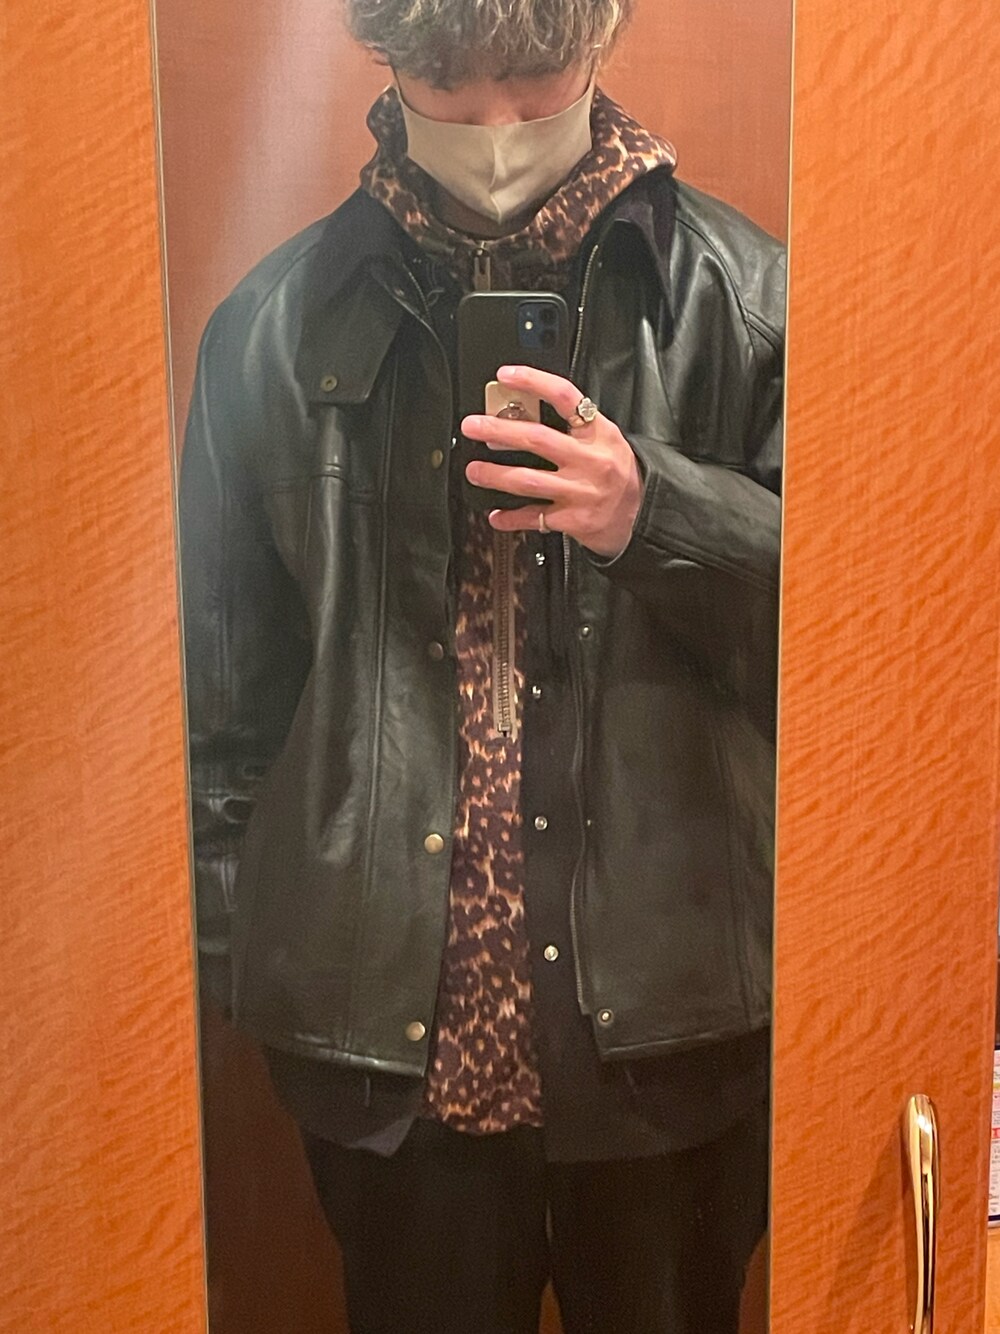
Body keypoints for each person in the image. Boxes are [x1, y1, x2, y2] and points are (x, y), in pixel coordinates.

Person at [179, 1, 784, 1329]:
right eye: (455, 81)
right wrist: (256, 972)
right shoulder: (269, 331)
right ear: (393, 58)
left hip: (675, 1047)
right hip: (390, 1070)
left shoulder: (746, 300)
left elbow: (868, 662)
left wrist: (657, 513)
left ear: (597, 41)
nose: (499, 124)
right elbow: (220, 714)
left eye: (533, 73)